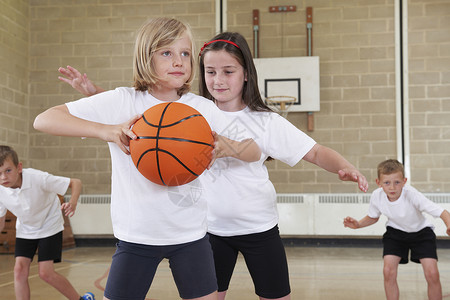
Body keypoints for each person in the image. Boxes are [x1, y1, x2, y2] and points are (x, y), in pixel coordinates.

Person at [57, 31, 368, 300]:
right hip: (210, 229)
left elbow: (313, 151)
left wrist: (343, 166)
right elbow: (147, 123)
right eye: (210, 71)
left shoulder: (265, 121)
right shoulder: (190, 112)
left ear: (246, 73)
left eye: (228, 72)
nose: (218, 80)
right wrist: (97, 97)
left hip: (258, 227)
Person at [34, 18, 261, 300]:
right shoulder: (122, 101)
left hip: (191, 236)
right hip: (136, 236)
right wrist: (106, 131)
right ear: (145, 57)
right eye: (167, 53)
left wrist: (226, 146)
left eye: (185, 53)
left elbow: (254, 150)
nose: (178, 61)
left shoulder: (201, 107)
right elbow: (44, 120)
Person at [344, 159, 450, 300]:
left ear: (404, 181)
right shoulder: (377, 196)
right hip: (395, 233)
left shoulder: (412, 194)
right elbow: (373, 217)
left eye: (397, 182)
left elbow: (442, 212)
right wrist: (358, 224)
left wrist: (449, 225)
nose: (392, 187)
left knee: (432, 273)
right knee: (388, 271)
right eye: (387, 183)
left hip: (422, 233)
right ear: (378, 182)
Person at [0, 146, 95, 300]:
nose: (3, 177)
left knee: (46, 273)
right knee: (19, 270)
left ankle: (80, 299)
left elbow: (75, 182)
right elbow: (1, 223)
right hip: (26, 229)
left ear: (19, 167)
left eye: (8, 170)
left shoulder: (38, 178)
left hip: (50, 225)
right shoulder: (1, 190)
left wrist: (73, 202)